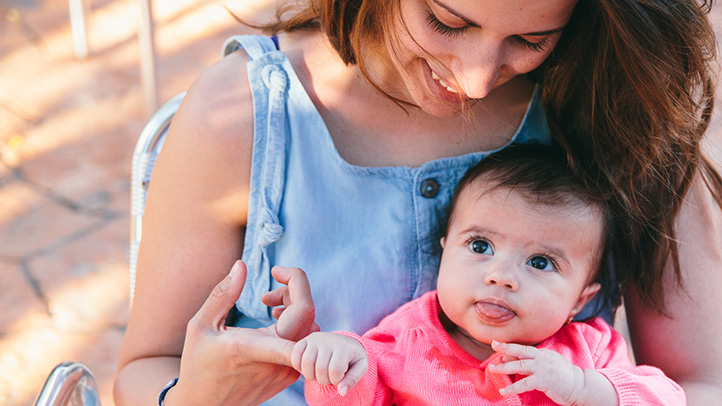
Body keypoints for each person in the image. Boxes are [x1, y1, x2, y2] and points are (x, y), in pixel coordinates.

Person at [113, 0, 722, 405]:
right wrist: (189, 397)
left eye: (532, 39)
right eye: (448, 20)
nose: (477, 78)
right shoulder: (240, 115)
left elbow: (700, 383)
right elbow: (144, 366)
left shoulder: (618, 111)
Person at [279, 145, 685, 405]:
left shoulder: (588, 349)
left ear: (579, 298)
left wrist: (582, 388)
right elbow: (353, 399)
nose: (501, 276)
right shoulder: (407, 338)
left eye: (541, 263)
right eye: (480, 246)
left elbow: (666, 398)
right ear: (444, 252)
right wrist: (335, 365)